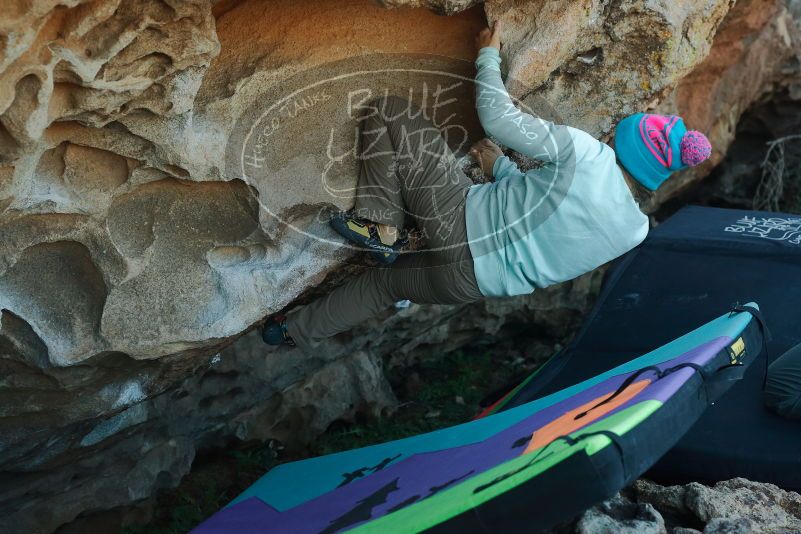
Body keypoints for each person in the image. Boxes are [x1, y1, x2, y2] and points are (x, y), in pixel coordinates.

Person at [262, 21, 712, 352]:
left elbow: (498, 118)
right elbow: (546, 222)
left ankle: (381, 224)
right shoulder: (634, 232)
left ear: (628, 143)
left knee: (390, 109)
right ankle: (288, 332)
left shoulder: (589, 155)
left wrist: (488, 55)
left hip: (457, 219)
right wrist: (501, 170)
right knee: (383, 287)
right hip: (471, 283)